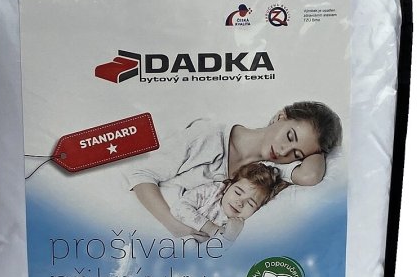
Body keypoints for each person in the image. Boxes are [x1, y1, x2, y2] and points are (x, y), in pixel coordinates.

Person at [126, 101, 342, 237]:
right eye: (289, 136)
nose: (284, 151)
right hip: (149, 224)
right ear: (280, 116)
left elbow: (310, 176)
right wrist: (175, 227)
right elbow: (141, 175)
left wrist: (318, 150)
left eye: (297, 154)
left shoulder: (269, 170)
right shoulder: (207, 136)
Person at [170, 162, 289, 243]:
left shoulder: (241, 226)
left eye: (251, 204)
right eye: (238, 192)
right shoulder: (212, 192)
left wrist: (228, 237)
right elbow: (179, 207)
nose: (240, 202)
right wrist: (210, 228)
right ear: (228, 186)